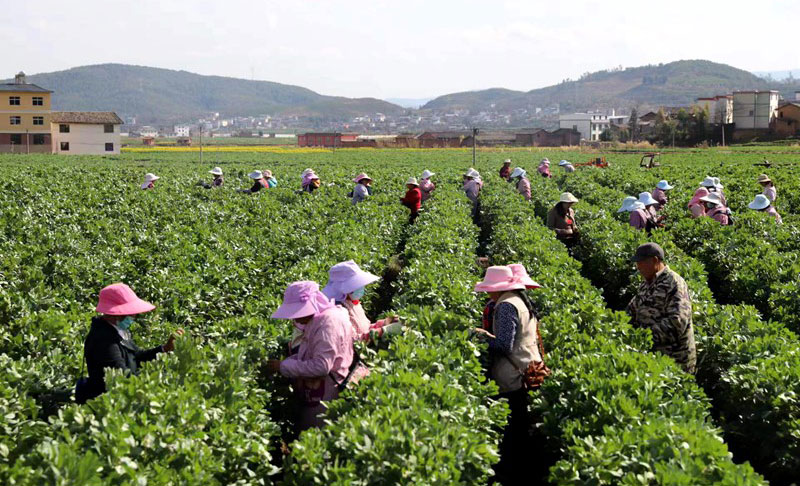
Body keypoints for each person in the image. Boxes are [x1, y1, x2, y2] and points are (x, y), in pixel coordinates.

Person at [472, 265, 547, 484]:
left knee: (512, 435)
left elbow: (504, 345)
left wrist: (481, 337)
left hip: (513, 378)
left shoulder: (505, 306)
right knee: (522, 431)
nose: (487, 293)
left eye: (489, 289)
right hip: (528, 369)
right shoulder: (521, 300)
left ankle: (513, 476)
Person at [265, 281, 355, 432]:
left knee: (316, 438)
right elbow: (312, 353)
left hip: (325, 395)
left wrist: (282, 366)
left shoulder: (326, 325)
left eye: (298, 312)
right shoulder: (327, 316)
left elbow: (321, 366)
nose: (294, 318)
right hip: (324, 389)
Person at [77, 283, 183, 404]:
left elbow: (136, 356)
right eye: (131, 313)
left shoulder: (117, 330)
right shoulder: (103, 340)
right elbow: (123, 377)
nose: (134, 316)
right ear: (117, 313)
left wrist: (164, 348)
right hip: (109, 405)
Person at [626, 243, 696, 373]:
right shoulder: (647, 282)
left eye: (641, 262)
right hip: (652, 357)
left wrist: (643, 337)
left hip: (675, 362)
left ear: (655, 260)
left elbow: (677, 323)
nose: (638, 267)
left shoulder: (674, 283)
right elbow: (633, 308)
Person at [322, 260, 402, 343]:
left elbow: (364, 328)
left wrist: (385, 323)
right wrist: (381, 331)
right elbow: (352, 342)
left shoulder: (353, 302)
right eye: (356, 285)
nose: (361, 288)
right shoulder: (338, 310)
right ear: (345, 288)